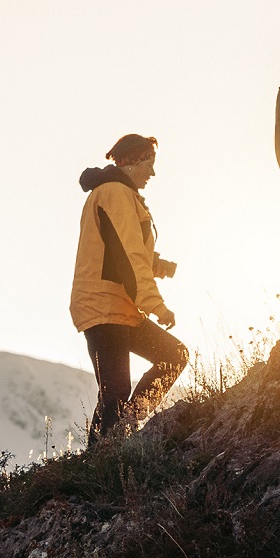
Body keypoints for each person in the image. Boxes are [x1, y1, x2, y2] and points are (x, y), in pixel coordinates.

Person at [71, 133, 190, 439]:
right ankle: (102, 461)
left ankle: (126, 428)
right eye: (149, 164)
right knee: (115, 393)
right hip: (102, 307)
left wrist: (159, 265)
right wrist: (157, 305)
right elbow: (129, 255)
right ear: (132, 162)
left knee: (173, 355)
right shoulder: (115, 194)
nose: (152, 172)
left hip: (118, 306)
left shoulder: (119, 194)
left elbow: (122, 251)